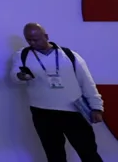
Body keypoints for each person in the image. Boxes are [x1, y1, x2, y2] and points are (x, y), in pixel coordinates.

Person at [12, 23, 104, 162]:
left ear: (46, 36)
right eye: (29, 40)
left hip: (73, 110)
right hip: (42, 112)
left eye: (36, 39)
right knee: (54, 155)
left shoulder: (69, 55)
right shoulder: (22, 55)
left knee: (88, 152)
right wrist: (20, 76)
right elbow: (14, 75)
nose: (32, 43)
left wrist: (96, 107)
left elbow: (87, 82)